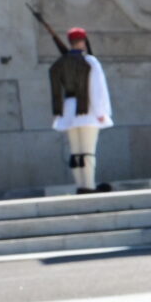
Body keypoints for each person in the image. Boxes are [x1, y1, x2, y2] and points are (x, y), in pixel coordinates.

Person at [43, 21, 113, 193]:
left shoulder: (61, 63)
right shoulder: (90, 61)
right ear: (83, 41)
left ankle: (80, 185)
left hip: (68, 110)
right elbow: (97, 89)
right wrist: (101, 111)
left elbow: (56, 87)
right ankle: (88, 186)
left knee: (75, 153)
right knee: (87, 151)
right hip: (87, 109)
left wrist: (59, 111)